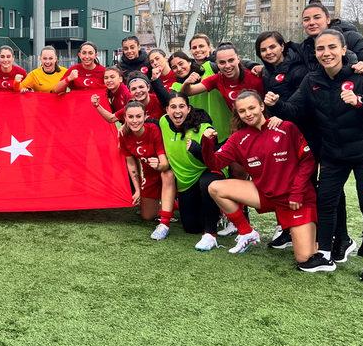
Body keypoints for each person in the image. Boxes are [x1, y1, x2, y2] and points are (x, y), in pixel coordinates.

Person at [265, 29, 363, 282]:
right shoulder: (312, 80)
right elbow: (294, 110)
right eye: (321, 49)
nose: (326, 53)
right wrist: (276, 104)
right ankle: (325, 254)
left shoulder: (362, 76)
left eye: (332, 47)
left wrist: (359, 102)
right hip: (333, 153)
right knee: (326, 202)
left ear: (343, 50)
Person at [200, 91, 317, 260]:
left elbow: (308, 161)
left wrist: (297, 193)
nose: (248, 114)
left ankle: (321, 240)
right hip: (265, 194)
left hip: (295, 199)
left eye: (252, 108)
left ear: (262, 106)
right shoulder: (238, 138)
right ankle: (247, 232)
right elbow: (214, 164)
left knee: (305, 258)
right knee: (215, 187)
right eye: (242, 111)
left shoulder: (285, 127)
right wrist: (207, 143)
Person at [256, 31, 313, 249]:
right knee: (283, 181)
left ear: (282, 46)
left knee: (305, 184)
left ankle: (314, 231)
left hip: (303, 132)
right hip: (281, 134)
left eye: (272, 47)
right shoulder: (267, 72)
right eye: (263, 50)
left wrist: (281, 112)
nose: (268, 52)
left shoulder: (298, 69)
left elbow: (302, 104)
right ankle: (287, 229)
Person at [158, 91, 227, 250]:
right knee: (191, 228)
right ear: (167, 110)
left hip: (209, 173)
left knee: (207, 183)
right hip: (185, 182)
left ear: (189, 109)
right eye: (173, 107)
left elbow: (216, 160)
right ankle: (215, 211)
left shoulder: (203, 128)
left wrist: (200, 149)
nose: (177, 111)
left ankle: (211, 233)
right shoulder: (163, 122)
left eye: (182, 106)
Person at [118, 101, 176, 239]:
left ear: (145, 116)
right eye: (130, 117)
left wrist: (159, 166)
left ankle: (169, 209)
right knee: (147, 216)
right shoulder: (123, 136)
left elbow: (165, 164)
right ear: (125, 118)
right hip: (148, 176)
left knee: (167, 173)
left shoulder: (153, 130)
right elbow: (131, 164)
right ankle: (167, 203)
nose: (134, 120)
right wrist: (137, 189)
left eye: (138, 116)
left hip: (165, 172)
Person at [149, 51, 230, 142]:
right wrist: (155, 79)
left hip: (226, 128)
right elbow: (166, 102)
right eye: (174, 67)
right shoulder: (176, 87)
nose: (179, 68)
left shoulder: (209, 68)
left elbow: (231, 67)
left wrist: (250, 65)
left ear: (189, 62)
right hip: (202, 134)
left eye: (181, 63)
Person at [293, 0, 363, 76]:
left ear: (328, 19)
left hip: (349, 94)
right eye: (306, 19)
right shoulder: (304, 47)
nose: (311, 22)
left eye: (317, 17)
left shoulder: (350, 37)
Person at [180, 43, 264, 111]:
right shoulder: (217, 79)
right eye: (222, 62)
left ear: (238, 59)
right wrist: (187, 83)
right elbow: (188, 92)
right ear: (217, 63)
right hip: (239, 126)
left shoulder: (255, 77)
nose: (227, 66)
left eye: (231, 60)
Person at [91, 73, 160, 123]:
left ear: (148, 87)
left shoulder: (159, 100)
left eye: (141, 87)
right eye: (134, 89)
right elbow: (111, 118)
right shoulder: (131, 106)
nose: (138, 91)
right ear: (130, 91)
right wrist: (97, 105)